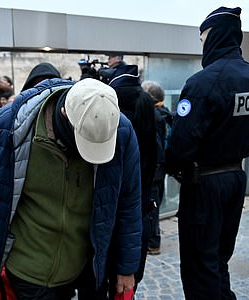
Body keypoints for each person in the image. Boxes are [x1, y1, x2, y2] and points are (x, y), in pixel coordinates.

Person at [0, 77, 142, 300]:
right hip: (28, 269)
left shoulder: (119, 130)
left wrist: (126, 267)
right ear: (64, 114)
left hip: (87, 266)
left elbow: (129, 202)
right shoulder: (12, 125)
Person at [164, 7, 249, 299]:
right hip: (236, 177)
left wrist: (170, 164)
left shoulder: (203, 82)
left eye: (203, 39)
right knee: (219, 257)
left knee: (200, 263)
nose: (202, 45)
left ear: (214, 35)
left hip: (205, 184)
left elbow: (181, 144)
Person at [106, 64, 156, 298]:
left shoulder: (115, 129)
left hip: (112, 222)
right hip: (141, 217)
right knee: (126, 288)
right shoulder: (152, 120)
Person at [141, 80, 173, 256]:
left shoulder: (155, 116)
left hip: (155, 169)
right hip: (160, 168)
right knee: (155, 202)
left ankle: (153, 243)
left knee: (152, 205)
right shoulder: (164, 113)